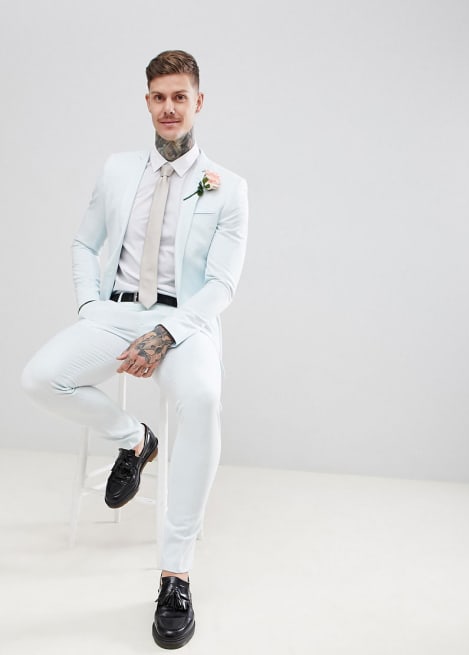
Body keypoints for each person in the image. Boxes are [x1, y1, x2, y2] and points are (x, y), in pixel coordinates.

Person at [22, 49, 248, 650]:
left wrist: (166, 334)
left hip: (186, 322)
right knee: (40, 378)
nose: (169, 108)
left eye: (180, 97)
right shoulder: (118, 170)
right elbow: (83, 243)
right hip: (117, 312)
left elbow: (222, 285)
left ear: (198, 102)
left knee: (202, 400)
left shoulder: (227, 188)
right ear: (147, 102)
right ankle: (134, 439)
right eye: (159, 97)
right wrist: (89, 306)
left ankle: (176, 575)